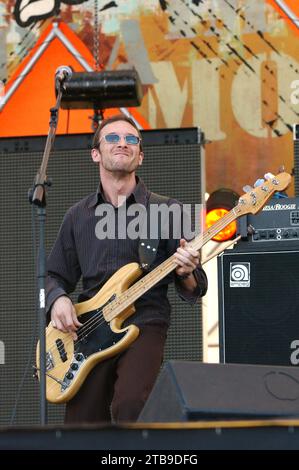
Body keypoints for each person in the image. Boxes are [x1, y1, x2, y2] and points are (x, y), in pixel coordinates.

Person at [46, 113, 208, 424]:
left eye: (131, 139)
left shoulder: (166, 210)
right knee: (81, 423)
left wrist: (186, 272)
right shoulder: (77, 216)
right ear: (96, 154)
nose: (123, 143)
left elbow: (196, 285)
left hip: (144, 321)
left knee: (131, 406)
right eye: (112, 138)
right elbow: (55, 275)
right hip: (87, 330)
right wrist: (58, 300)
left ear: (140, 156)